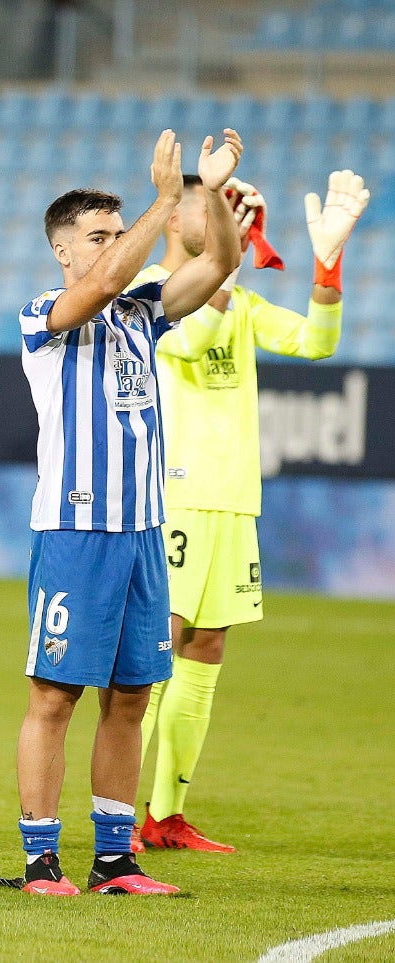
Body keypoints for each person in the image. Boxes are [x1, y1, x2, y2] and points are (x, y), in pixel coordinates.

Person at [0, 129, 243, 897]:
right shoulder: (46, 312)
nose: (114, 245)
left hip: (140, 531)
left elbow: (219, 264)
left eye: (118, 228)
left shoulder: (144, 312)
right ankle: (41, 859)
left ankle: (114, 859)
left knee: (131, 695)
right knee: (54, 694)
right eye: (98, 235)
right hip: (75, 529)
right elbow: (100, 286)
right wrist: (166, 203)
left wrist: (209, 194)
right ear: (64, 250)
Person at [132, 170, 369, 853]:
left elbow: (316, 341)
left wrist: (328, 264)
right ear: (177, 218)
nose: (227, 219)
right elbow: (194, 338)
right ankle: (118, 816)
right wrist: (228, 268)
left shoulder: (240, 301)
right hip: (173, 494)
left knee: (205, 649)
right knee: (156, 653)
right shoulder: (150, 289)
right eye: (215, 207)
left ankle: (166, 813)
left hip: (233, 500)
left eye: (232, 211)